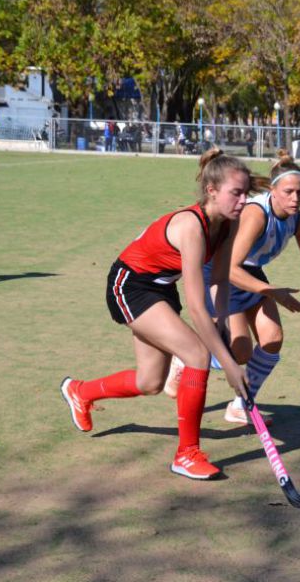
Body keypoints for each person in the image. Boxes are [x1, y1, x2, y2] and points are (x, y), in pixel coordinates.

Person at [59, 149, 253, 481]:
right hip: (129, 284)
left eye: (246, 192)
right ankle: (187, 454)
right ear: (211, 190)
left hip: (160, 288)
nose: (243, 199)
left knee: (150, 382)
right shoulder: (191, 226)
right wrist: (230, 365)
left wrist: (222, 321)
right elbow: (195, 307)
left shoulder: (228, 225)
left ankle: (81, 391)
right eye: (236, 192)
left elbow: (219, 280)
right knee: (196, 354)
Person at [165, 150, 300, 426]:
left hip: (250, 273)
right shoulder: (256, 214)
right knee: (240, 351)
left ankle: (240, 405)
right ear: (273, 190)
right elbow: (228, 268)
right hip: (219, 272)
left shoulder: (298, 220)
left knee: (272, 338)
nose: (295, 198)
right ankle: (184, 358)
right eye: (288, 191)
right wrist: (271, 291)